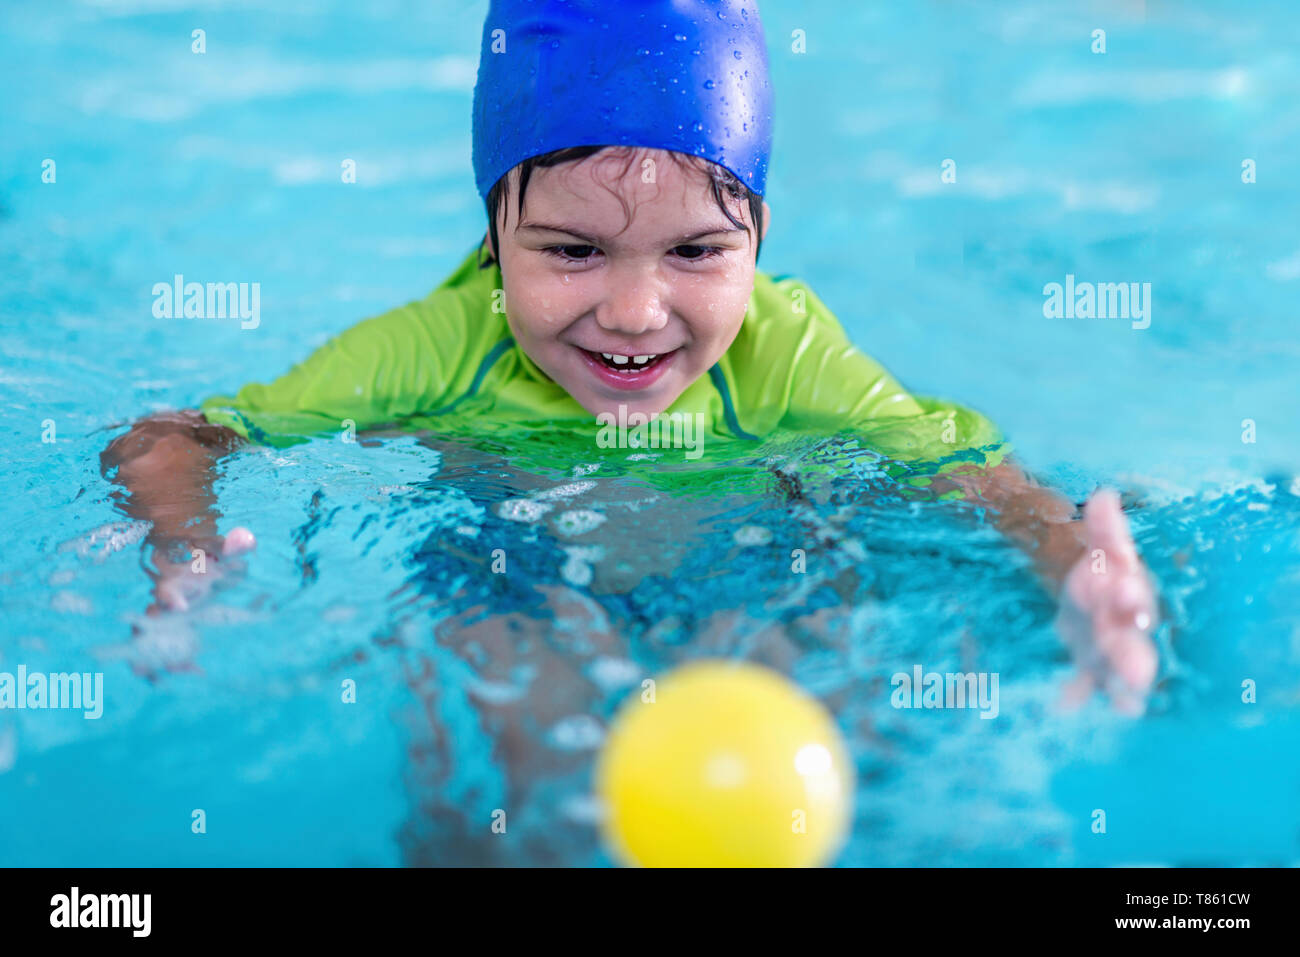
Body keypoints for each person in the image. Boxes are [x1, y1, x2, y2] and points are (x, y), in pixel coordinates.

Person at [101, 0, 1157, 713]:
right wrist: (187, 554)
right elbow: (171, 438)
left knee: (814, 704)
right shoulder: (438, 346)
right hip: (495, 553)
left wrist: (1074, 566)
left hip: (741, 550)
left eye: (696, 252)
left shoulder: (783, 353)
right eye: (571, 252)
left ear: (759, 247)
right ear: (491, 242)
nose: (636, 313)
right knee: (513, 743)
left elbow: (967, 473)